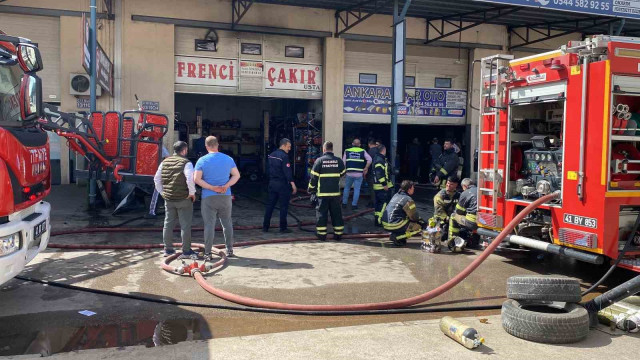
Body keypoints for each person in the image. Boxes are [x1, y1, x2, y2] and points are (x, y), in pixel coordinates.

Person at [194, 136, 241, 260]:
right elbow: (236, 175)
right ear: (218, 145)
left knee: (209, 225)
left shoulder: (202, 161)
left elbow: (196, 179)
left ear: (206, 146)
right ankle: (230, 250)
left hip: (209, 197)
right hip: (225, 196)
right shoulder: (228, 159)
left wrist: (211, 187)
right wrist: (226, 185)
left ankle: (208, 253)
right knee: (227, 223)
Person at [154, 141, 197, 259]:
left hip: (169, 199)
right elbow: (189, 179)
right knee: (185, 225)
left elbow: (156, 179)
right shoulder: (186, 163)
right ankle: (186, 251)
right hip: (184, 199)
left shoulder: (164, 162)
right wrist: (192, 193)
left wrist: (162, 193)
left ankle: (168, 249)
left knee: (168, 224)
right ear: (184, 150)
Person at [308, 141, 346, 241]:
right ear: (331, 149)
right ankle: (338, 234)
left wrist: (311, 189)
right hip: (335, 194)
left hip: (322, 194)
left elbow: (313, 178)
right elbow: (342, 173)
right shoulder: (338, 161)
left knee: (322, 214)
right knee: (336, 214)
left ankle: (321, 235)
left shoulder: (319, 161)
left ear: (324, 149)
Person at [263, 138, 297, 233]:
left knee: (270, 206)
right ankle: (283, 228)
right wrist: (293, 185)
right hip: (282, 185)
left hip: (272, 183)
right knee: (283, 207)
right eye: (288, 147)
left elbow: (268, 169)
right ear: (283, 145)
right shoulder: (284, 156)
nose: (289, 149)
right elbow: (288, 172)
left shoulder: (271, 155)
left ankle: (265, 227)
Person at [381, 180, 425, 246]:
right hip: (394, 224)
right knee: (419, 227)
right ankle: (397, 237)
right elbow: (414, 217)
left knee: (405, 219)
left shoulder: (396, 195)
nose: (414, 190)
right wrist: (423, 222)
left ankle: (398, 235)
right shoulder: (408, 199)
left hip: (385, 223)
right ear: (409, 189)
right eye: (413, 188)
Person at [342, 138, 372, 210]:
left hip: (349, 173)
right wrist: (366, 167)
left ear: (352, 144)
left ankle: (344, 203)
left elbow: (343, 162)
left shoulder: (347, 151)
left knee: (346, 188)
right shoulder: (363, 151)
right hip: (359, 174)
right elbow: (370, 159)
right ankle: (354, 205)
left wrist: (343, 172)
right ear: (359, 145)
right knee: (357, 189)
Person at [448, 178, 478, 250]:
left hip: (472, 222)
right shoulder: (480, 190)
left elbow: (459, 211)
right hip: (484, 221)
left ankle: (453, 239)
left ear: (465, 186)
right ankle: (474, 240)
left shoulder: (465, 193)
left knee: (453, 216)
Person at [433, 176, 461, 240]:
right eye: (448, 183)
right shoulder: (440, 195)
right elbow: (439, 210)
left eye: (451, 184)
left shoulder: (458, 195)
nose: (448, 185)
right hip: (442, 219)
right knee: (442, 237)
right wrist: (447, 218)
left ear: (456, 185)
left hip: (454, 219)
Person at [372, 144, 394, 227]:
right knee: (383, 204)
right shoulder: (379, 160)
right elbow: (379, 174)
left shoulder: (379, 159)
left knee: (378, 204)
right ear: (383, 150)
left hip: (378, 186)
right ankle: (379, 221)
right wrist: (384, 184)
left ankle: (377, 220)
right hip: (381, 187)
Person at [148, 145, 170, 218]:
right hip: (153, 171)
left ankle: (152, 211)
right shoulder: (149, 145)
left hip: (158, 172)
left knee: (157, 191)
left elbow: (167, 157)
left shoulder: (159, 146)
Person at [366, 138, 380, 207]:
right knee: (378, 188)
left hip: (371, 173)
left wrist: (365, 170)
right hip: (379, 173)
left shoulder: (370, 151)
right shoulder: (379, 150)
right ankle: (377, 201)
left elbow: (367, 162)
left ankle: (373, 203)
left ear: (369, 144)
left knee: (372, 188)